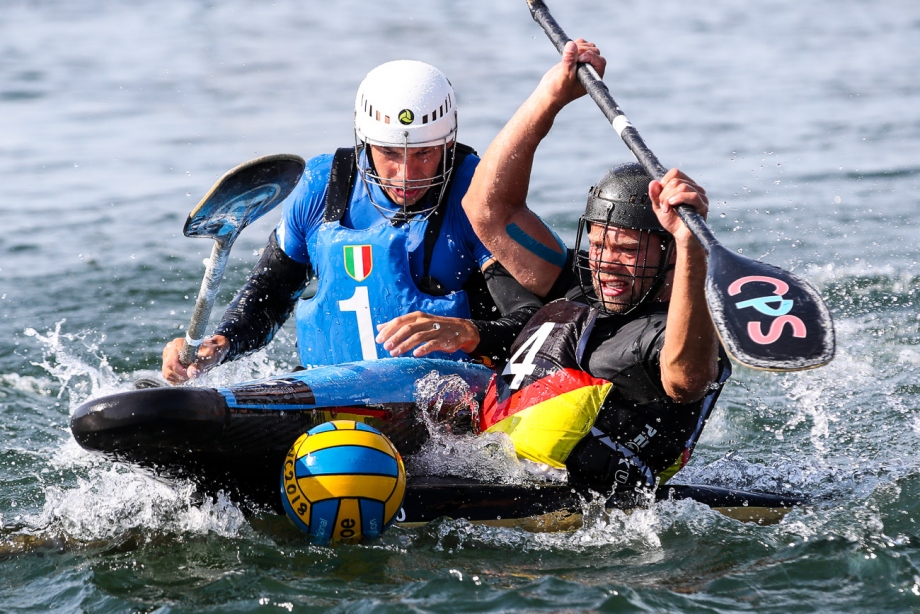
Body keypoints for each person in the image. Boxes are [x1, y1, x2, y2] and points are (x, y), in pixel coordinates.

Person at [162, 59, 539, 384]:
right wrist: (219, 344)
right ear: (364, 140)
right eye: (389, 153)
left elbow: (537, 318)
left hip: (447, 400)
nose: (406, 174)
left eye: (425, 153)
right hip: (333, 390)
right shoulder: (319, 189)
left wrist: (469, 333)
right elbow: (269, 299)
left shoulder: (477, 194)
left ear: (448, 140)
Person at [462, 40, 730, 495]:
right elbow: (488, 209)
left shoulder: (678, 333)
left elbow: (686, 381)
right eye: (599, 245)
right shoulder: (580, 287)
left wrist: (693, 247)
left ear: (669, 254)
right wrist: (551, 96)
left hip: (596, 521)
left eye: (625, 249)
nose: (606, 263)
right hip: (488, 465)